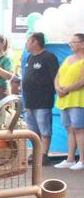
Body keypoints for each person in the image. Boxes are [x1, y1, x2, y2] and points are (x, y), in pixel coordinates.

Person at [21, 32, 59, 166]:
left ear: (35, 42)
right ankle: (37, 152)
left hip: (43, 100)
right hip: (29, 101)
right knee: (32, 130)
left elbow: (56, 76)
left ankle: (44, 154)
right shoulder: (30, 57)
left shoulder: (49, 57)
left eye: (28, 41)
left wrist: (55, 91)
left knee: (44, 129)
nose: (26, 43)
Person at [54, 33, 84, 170]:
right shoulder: (68, 58)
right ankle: (70, 159)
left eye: (74, 42)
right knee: (69, 128)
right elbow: (58, 76)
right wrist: (57, 87)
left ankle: (82, 160)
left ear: (82, 44)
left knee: (79, 129)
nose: (71, 44)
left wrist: (66, 90)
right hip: (64, 99)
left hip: (78, 100)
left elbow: (82, 81)